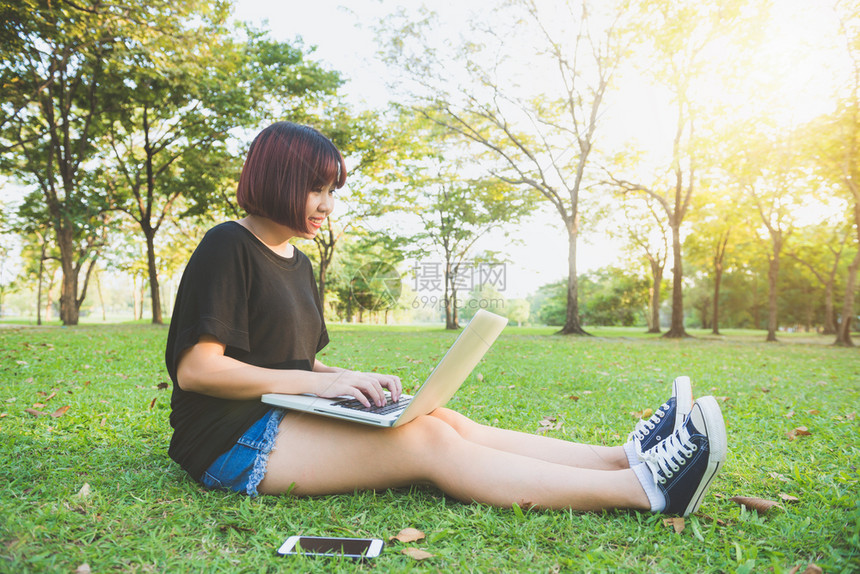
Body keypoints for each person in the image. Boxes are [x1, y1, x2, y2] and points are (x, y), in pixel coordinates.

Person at [165, 121, 727, 517]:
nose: (327, 205)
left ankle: (624, 459)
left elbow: (294, 359)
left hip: (282, 414)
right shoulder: (226, 246)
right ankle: (646, 491)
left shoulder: (298, 262)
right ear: (278, 179)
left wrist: (350, 380)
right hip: (229, 441)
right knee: (425, 444)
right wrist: (323, 382)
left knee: (444, 421)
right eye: (316, 188)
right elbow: (199, 371)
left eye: (332, 190)